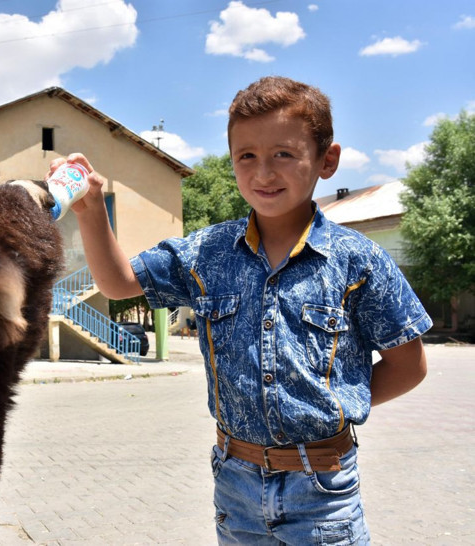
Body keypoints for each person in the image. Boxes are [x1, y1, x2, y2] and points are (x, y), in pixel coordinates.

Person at [47, 76, 431, 545]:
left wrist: (332, 407)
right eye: (246, 156)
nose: (263, 173)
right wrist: (90, 211)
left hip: (324, 491)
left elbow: (408, 367)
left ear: (326, 160)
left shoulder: (359, 261)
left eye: (283, 154)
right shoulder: (208, 253)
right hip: (235, 485)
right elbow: (118, 282)